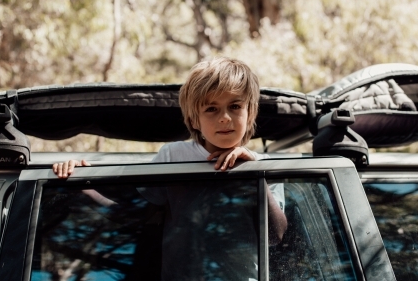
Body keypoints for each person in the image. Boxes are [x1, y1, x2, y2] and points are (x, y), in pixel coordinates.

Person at [53, 57, 287, 280]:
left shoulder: (264, 165)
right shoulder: (174, 155)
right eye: (211, 109)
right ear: (194, 120)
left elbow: (276, 234)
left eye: (235, 106)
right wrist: (82, 176)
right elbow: (132, 208)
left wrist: (252, 173)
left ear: (250, 112)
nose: (225, 117)